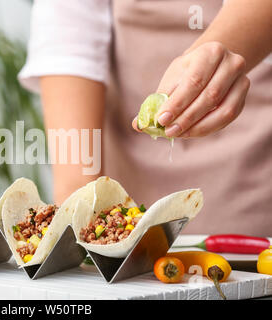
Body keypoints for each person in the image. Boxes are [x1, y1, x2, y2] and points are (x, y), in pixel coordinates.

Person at [18, 0, 272, 236]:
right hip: (129, 182)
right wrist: (76, 210)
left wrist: (213, 58)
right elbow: (70, 41)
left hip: (252, 181)